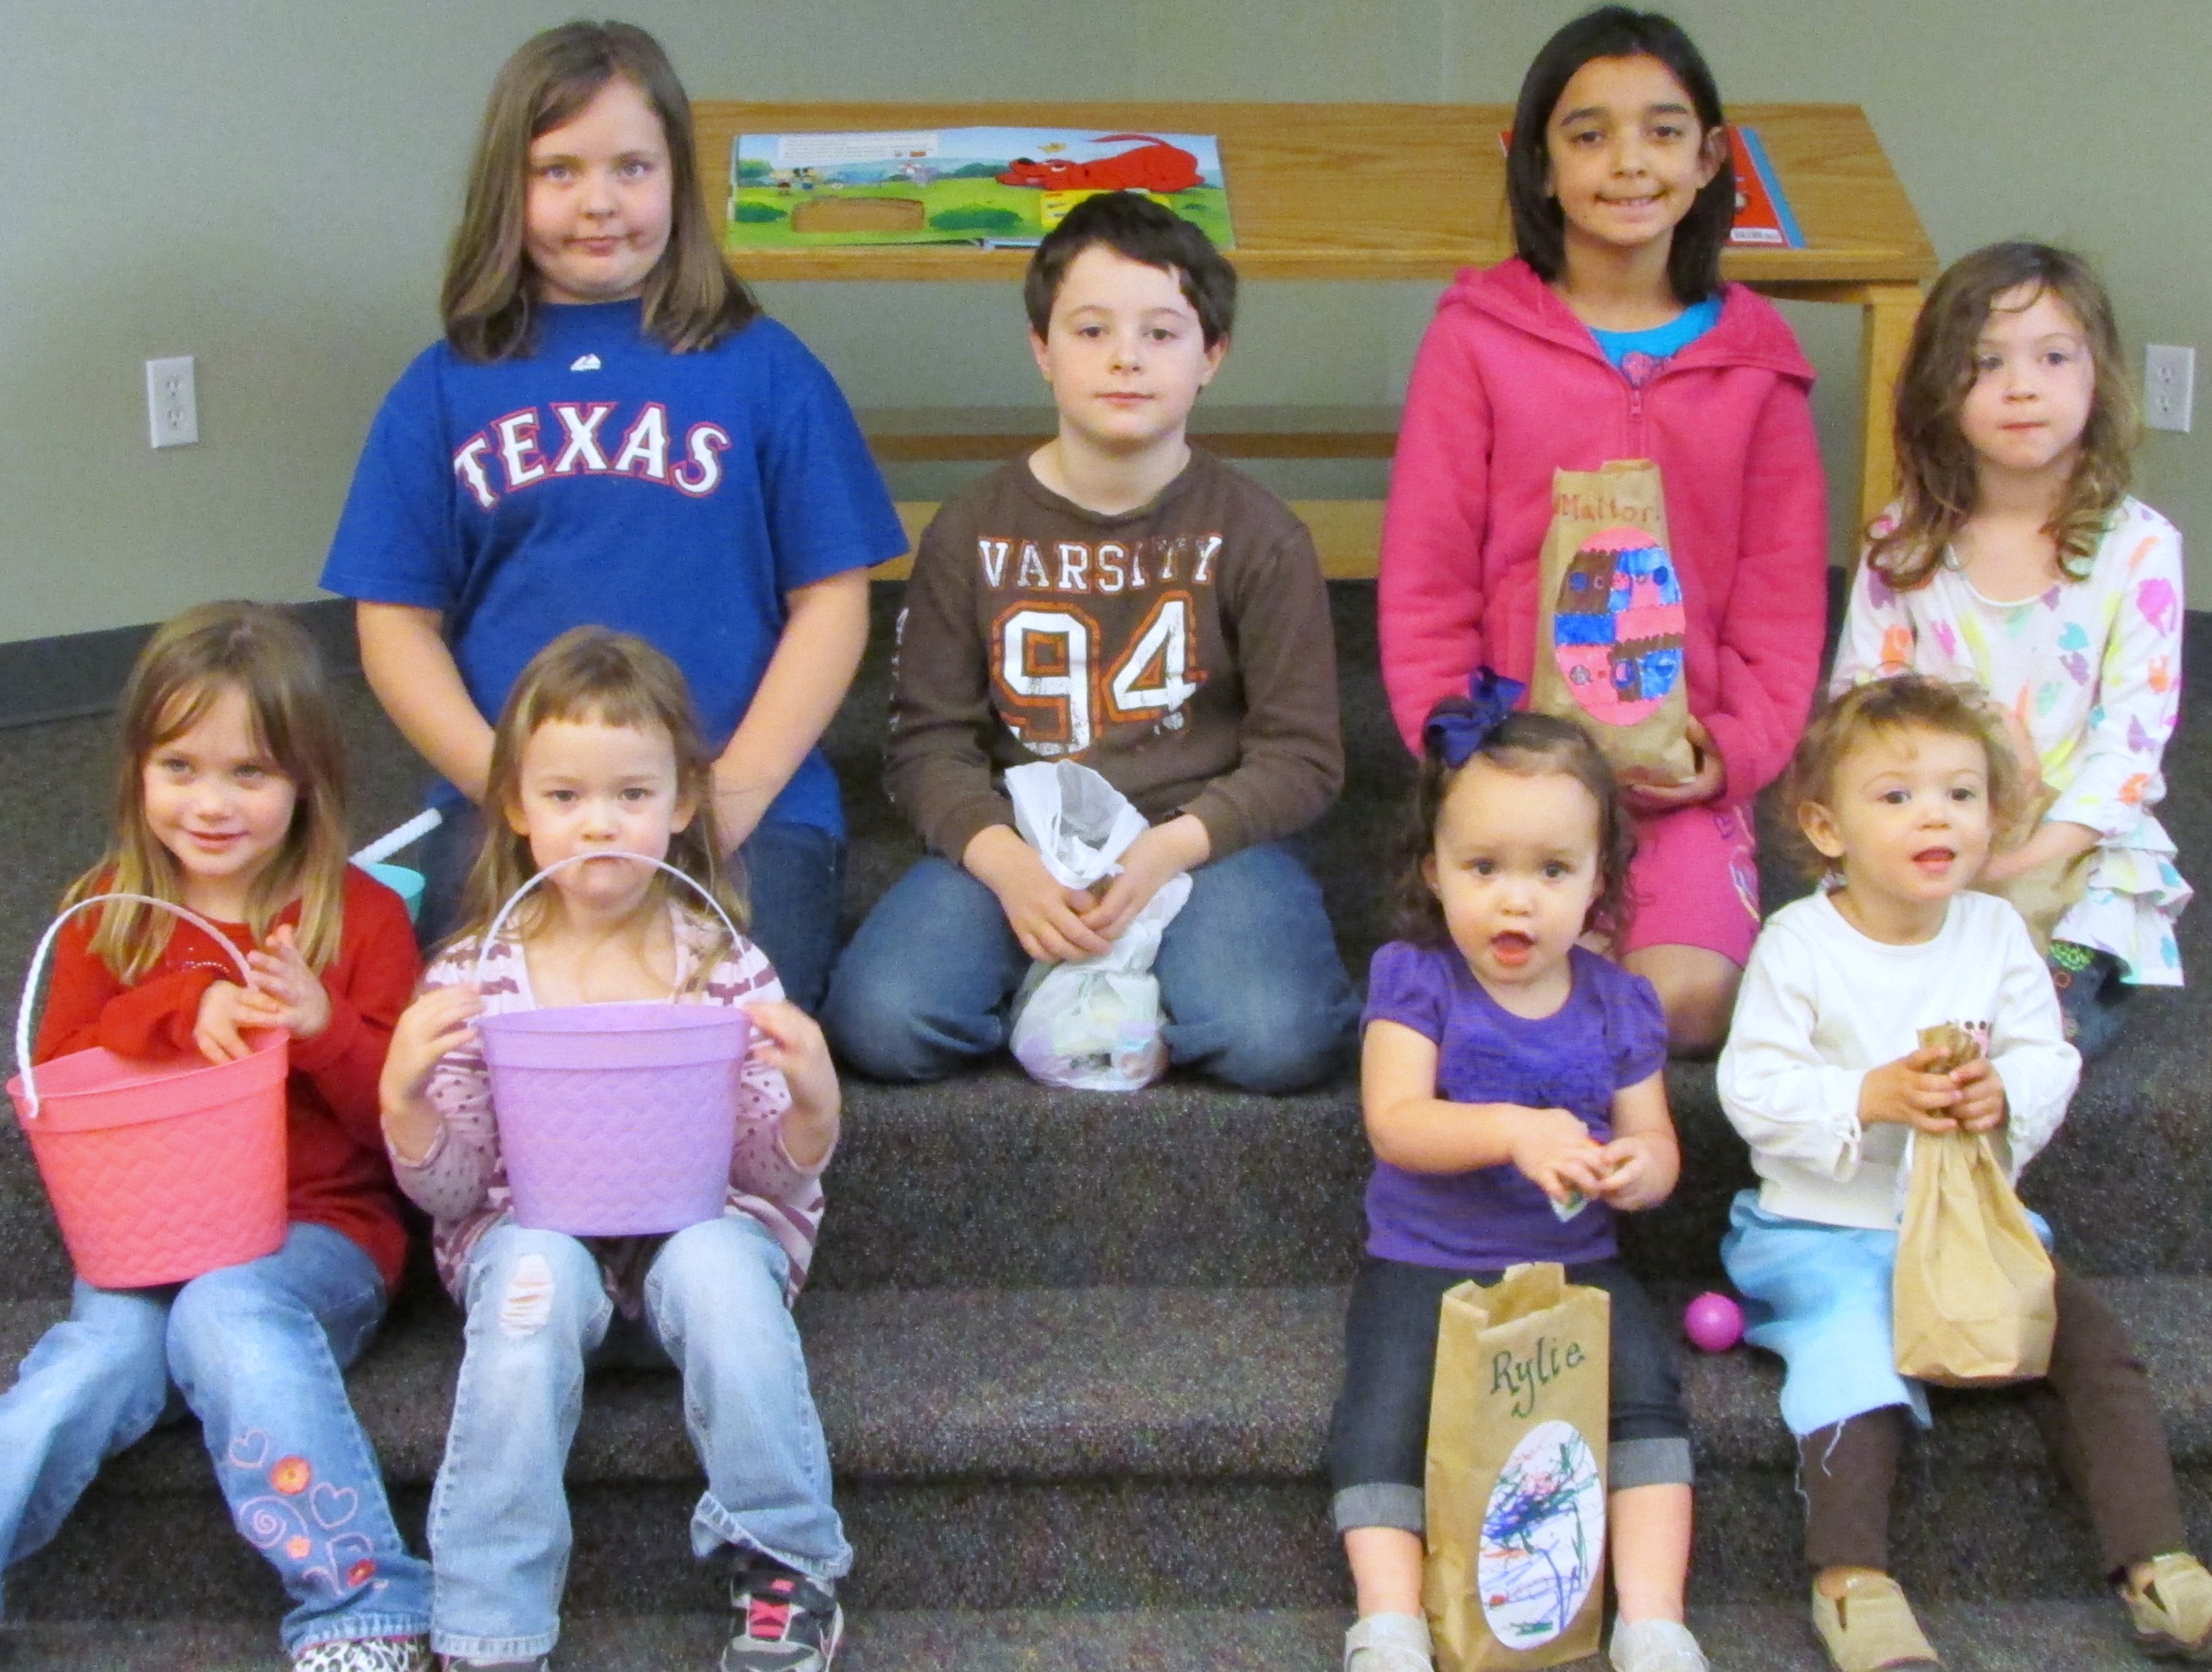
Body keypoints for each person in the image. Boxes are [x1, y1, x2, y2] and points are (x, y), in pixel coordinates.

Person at [320, 20, 906, 1006]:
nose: (598, 203)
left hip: (735, 803)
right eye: (558, 171)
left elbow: (832, 599)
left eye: (632, 167)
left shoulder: (766, 370)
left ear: (677, 179)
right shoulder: (443, 388)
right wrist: (501, 790)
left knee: (740, 1029)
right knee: (477, 1033)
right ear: (508, 187)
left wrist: (740, 789)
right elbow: (393, 622)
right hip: (515, 807)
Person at [1717, 675, 2212, 1672]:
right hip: (1824, 1227)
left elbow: (2045, 1055)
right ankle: (1851, 1581)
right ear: (1826, 825)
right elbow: (1751, 1087)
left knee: (2088, 1339)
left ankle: (2156, 1561)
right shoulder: (1796, 944)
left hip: (1968, 1221)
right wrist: (1868, 1097)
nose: (1932, 816)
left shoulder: (1995, 935)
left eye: (1958, 794)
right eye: (1894, 796)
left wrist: (2004, 1098)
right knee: (1849, 1353)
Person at [380, 628, 848, 1672]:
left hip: (701, 1228)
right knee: (531, 1283)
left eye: (632, 795)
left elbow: (773, 1173)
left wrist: (810, 1103)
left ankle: (784, 1560)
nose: (600, 824)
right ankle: (488, 1620)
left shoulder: (720, 964)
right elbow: (453, 1187)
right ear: (515, 806)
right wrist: (405, 1098)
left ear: (683, 804)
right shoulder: (479, 973)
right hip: (535, 1241)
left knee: (722, 1268)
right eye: (565, 797)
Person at [822, 190, 1356, 1093]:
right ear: (1040, 349)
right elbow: (927, 745)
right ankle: (1065, 977)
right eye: (1089, 330)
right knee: (881, 1023)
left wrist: (1168, 851)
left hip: (1198, 838)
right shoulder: (970, 530)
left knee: (1281, 1040)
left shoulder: (1259, 535)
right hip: (1024, 836)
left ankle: (1129, 982)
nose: (1124, 358)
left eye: (1161, 333)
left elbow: (1302, 755)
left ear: (1211, 356)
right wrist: (1007, 867)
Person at [1377, 5, 1828, 1054]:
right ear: (1536, 165)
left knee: (1689, 1003)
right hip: (1515, 772)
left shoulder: (1757, 364)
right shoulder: (1476, 340)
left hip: (1678, 785)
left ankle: (1513, 1043)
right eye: (1587, 134)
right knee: (1534, 967)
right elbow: (1423, 579)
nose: (1628, 163)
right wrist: (1456, 750)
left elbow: (1783, 600)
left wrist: (1736, 752)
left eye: (1663, 131)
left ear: (1713, 158)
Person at [0, 603, 433, 1670]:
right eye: (181, 766)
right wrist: (179, 1004)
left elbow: (416, 1139)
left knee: (229, 1307)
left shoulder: (360, 916)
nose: (211, 802)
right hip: (142, 1238)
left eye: (250, 773)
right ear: (137, 772)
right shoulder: (109, 909)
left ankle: (362, 1600)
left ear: (306, 783)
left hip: (317, 1232)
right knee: (88, 1361)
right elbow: (60, 1083)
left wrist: (323, 1034)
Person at [1328, 676, 1704, 1672]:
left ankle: (1653, 1620)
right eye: (1484, 866)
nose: (1516, 896)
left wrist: (1639, 1170)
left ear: (1597, 883)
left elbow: (1657, 1142)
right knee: (1381, 1408)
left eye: (1551, 870)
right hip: (1425, 1258)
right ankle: (1390, 1618)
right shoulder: (1417, 980)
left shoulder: (1618, 1003)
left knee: (1646, 1398)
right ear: (1435, 872)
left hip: (1573, 1260)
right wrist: (1512, 1130)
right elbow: (1395, 1122)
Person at [1831, 241, 2187, 1059]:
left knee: (2041, 1017)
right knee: (1845, 1000)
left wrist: (2025, 854)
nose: (2020, 385)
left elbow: (2130, 745)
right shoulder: (1903, 542)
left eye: (2052, 356)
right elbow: (1862, 706)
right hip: (1925, 835)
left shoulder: (2137, 551)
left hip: (2070, 857)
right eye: (1983, 363)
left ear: (2095, 375)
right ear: (1938, 391)